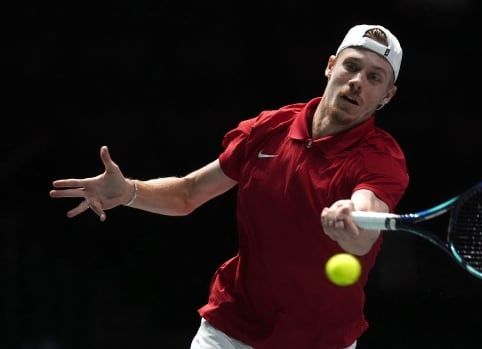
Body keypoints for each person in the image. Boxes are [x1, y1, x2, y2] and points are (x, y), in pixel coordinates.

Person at [50, 24, 409, 349]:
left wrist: (352, 217)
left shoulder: (379, 158)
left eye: (374, 77)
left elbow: (366, 224)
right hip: (231, 329)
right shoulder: (270, 129)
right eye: (351, 66)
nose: (358, 81)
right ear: (331, 66)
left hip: (321, 340)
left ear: (386, 96)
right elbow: (189, 193)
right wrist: (129, 191)